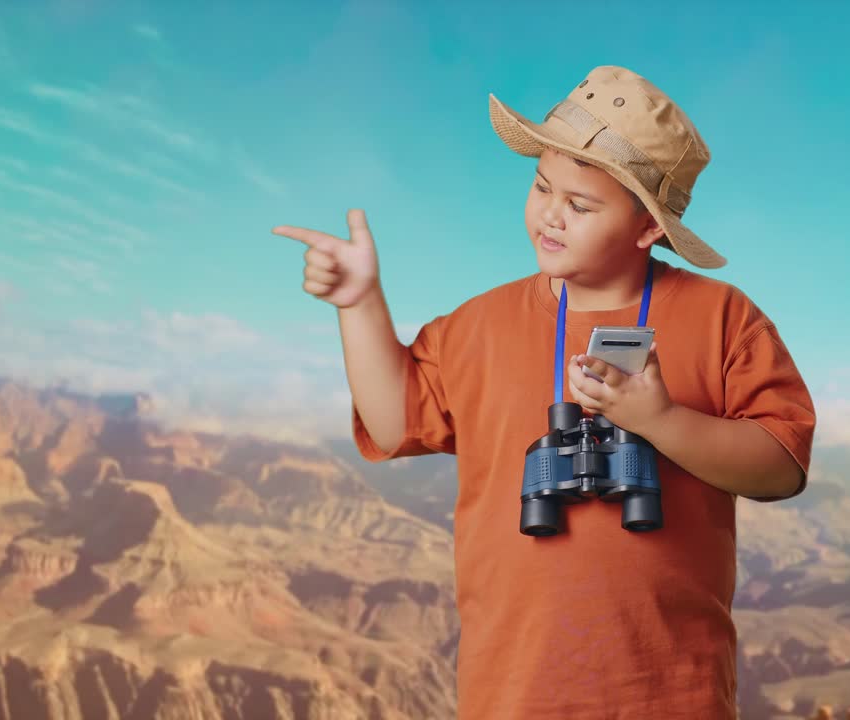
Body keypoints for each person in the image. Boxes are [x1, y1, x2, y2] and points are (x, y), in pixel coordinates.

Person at [273, 65, 817, 719]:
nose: (550, 215)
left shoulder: (723, 319)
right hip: (514, 689)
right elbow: (393, 426)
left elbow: (780, 467)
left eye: (581, 205)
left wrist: (662, 423)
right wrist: (359, 304)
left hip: (671, 692)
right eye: (541, 188)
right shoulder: (477, 326)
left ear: (648, 228)